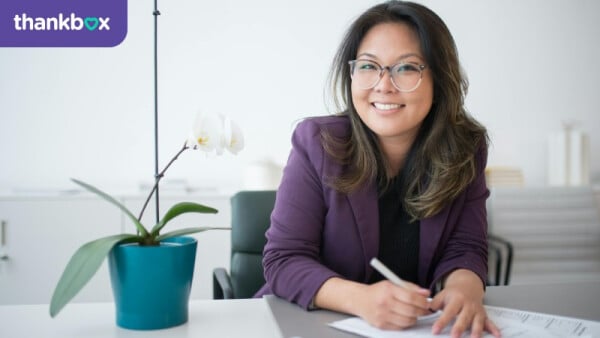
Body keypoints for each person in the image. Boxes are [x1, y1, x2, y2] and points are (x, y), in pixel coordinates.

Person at [255, 1, 501, 337]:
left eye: (406, 68)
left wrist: (464, 289)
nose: (383, 85)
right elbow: (283, 261)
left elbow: (465, 249)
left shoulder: (465, 149)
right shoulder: (317, 142)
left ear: (439, 79)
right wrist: (361, 299)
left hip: (418, 329)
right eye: (369, 66)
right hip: (305, 325)